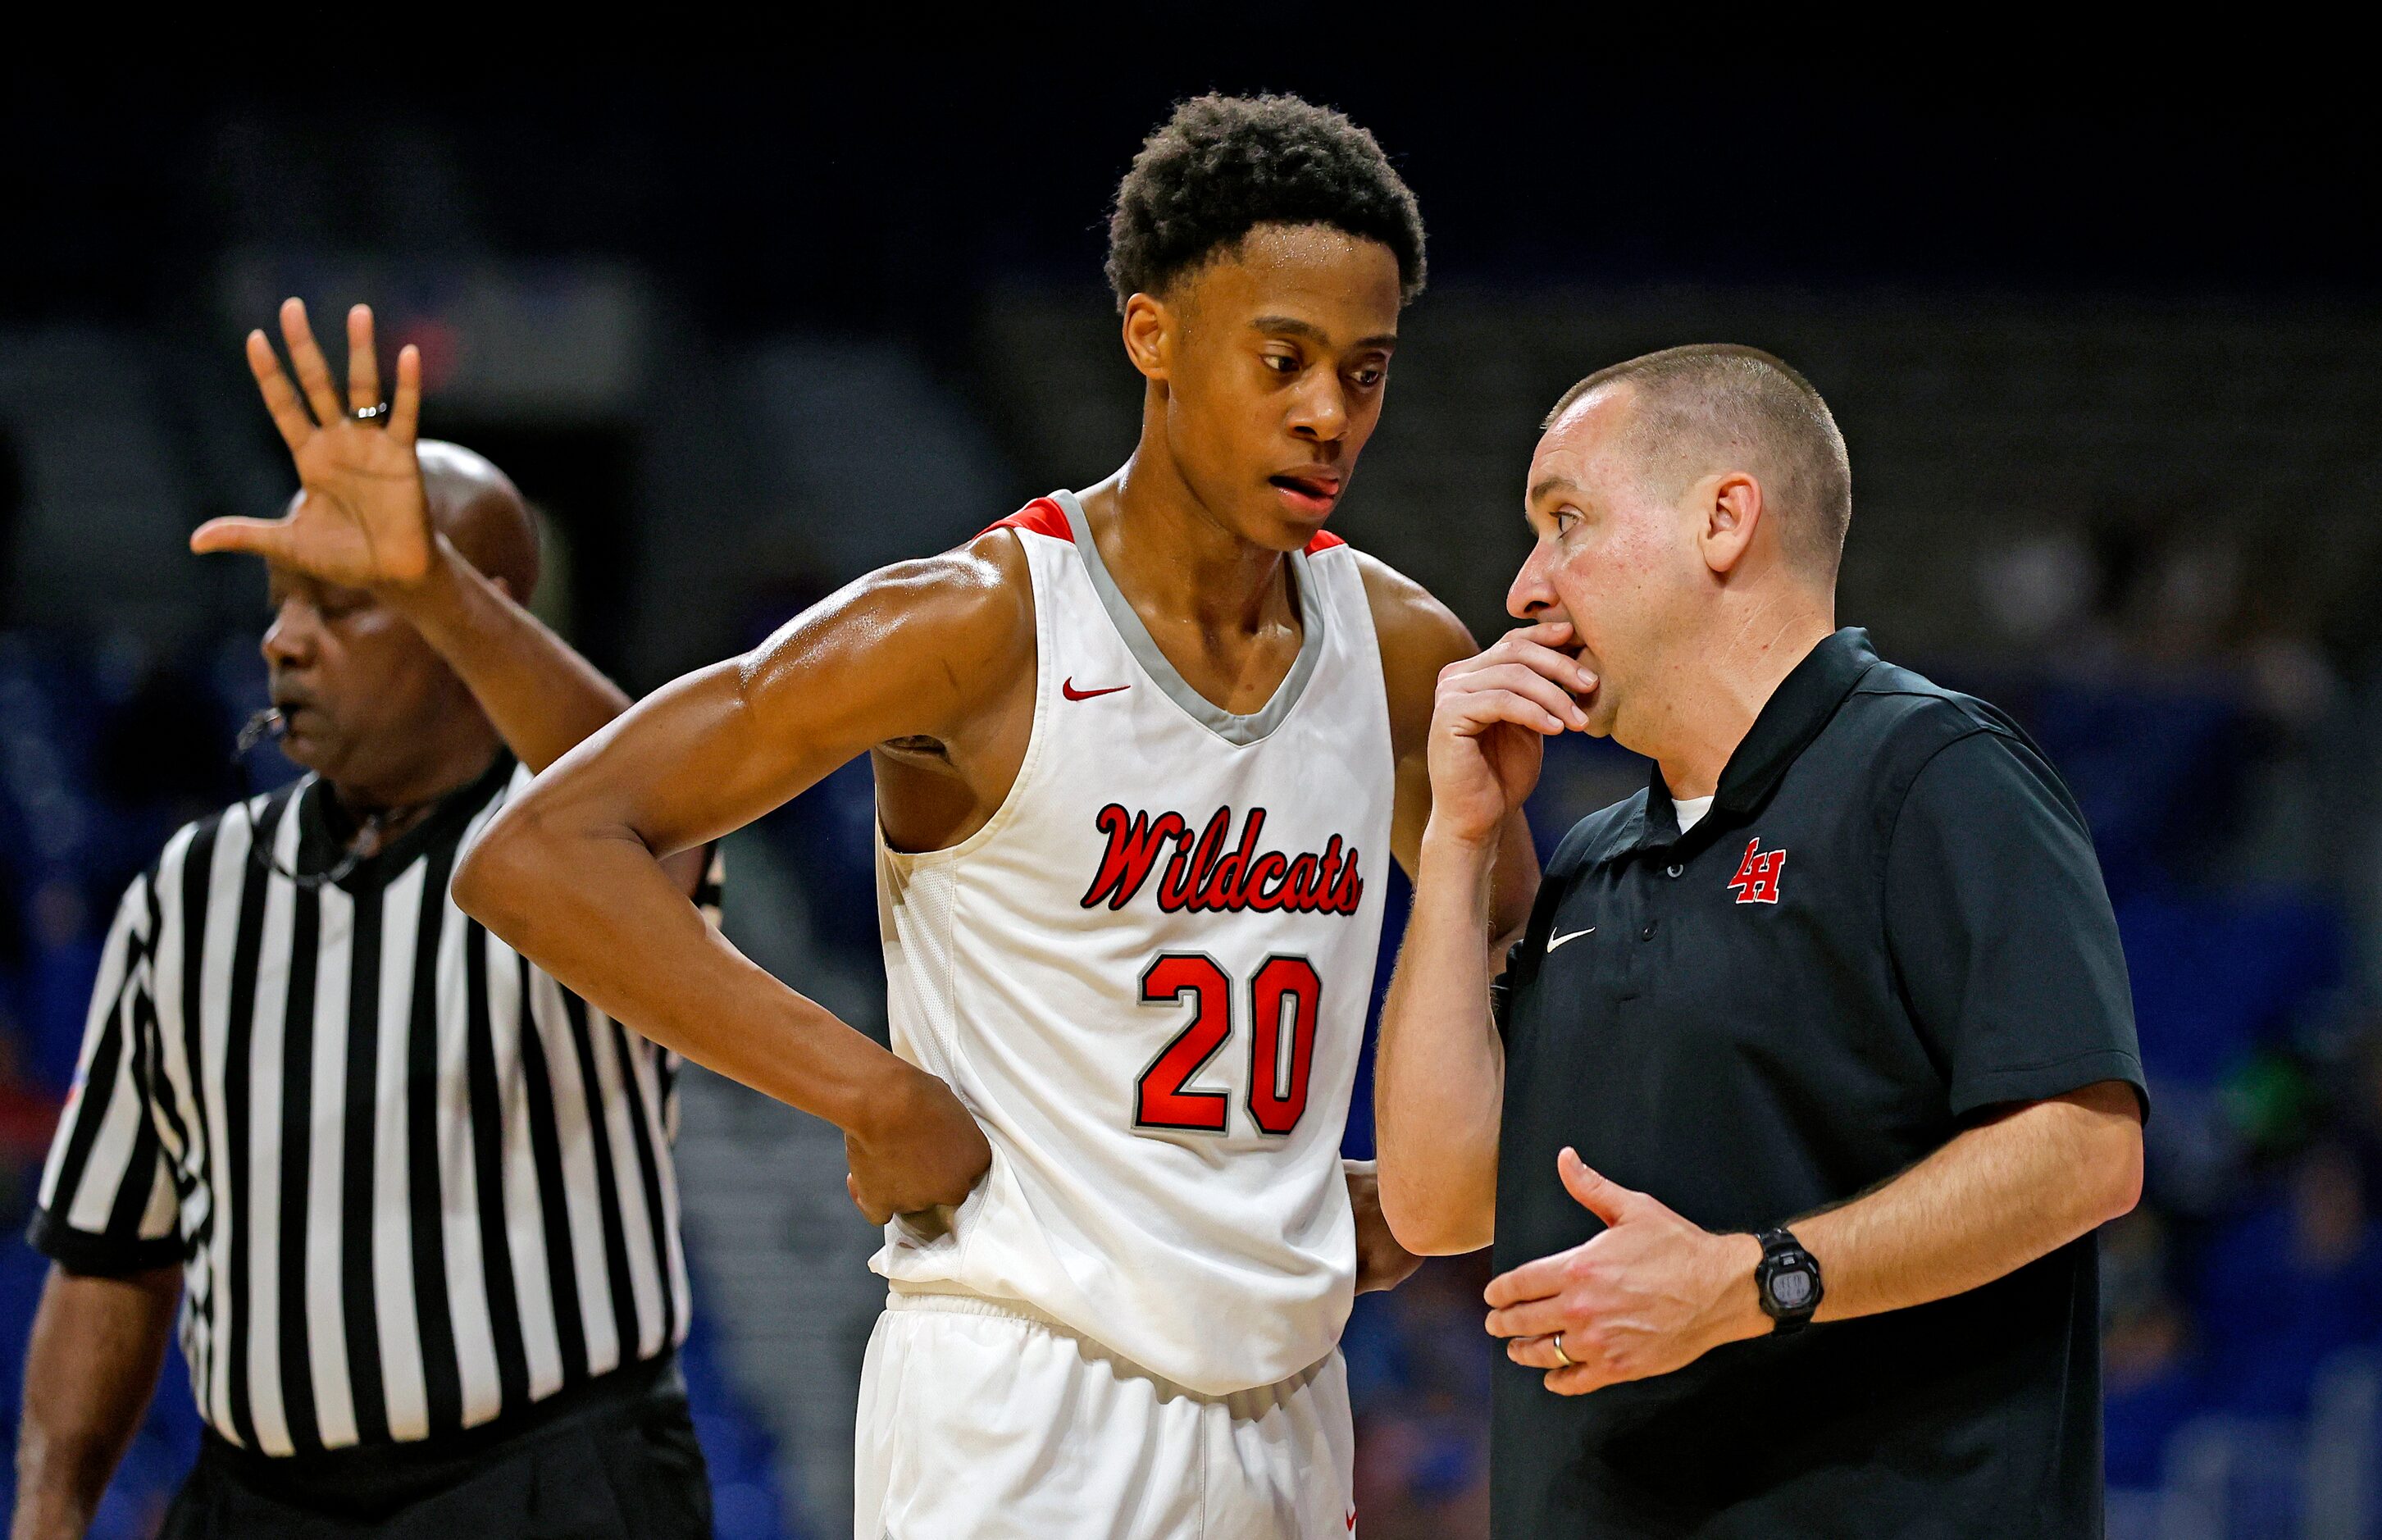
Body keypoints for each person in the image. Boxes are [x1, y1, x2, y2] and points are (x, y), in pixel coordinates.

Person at [452, 94, 1537, 1538]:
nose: (1326, 414)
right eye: (1281, 361)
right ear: (1151, 335)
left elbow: (1524, 929)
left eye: (1364, 371)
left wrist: (1429, 1172)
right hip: (1023, 1394)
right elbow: (539, 852)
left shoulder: (1401, 651)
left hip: (1288, 1389)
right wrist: (868, 1091)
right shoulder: (976, 624)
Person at [1373, 344, 2147, 1535]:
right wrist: (1465, 840)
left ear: (1723, 521)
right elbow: (1436, 1206)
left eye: (1565, 520)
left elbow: (2084, 1151)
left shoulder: (1933, 772)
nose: (1526, 586)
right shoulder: (1587, 857)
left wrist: (1748, 1283)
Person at [13, 303, 718, 1539]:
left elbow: (661, 793)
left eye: (342, 605)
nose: (282, 638)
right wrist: (49, 1510)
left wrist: (434, 586)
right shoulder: (189, 889)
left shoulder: (579, 845)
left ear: (472, 613)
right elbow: (110, 1250)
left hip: (553, 1490)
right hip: (258, 1500)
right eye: (282, 601)